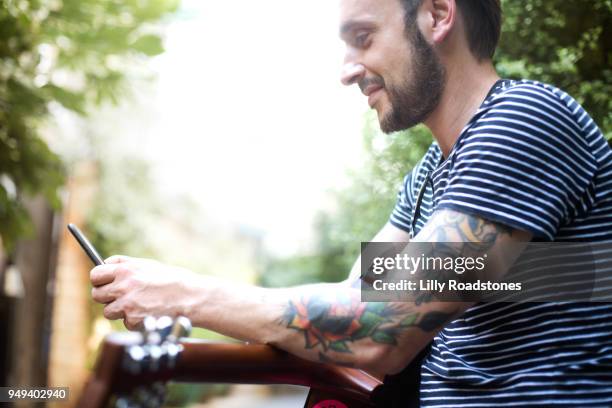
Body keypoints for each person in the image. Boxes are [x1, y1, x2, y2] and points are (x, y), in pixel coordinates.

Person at [90, 0, 612, 406]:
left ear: (437, 14)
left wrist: (184, 293)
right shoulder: (429, 179)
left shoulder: (527, 120)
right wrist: (174, 300)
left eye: (363, 38)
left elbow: (382, 329)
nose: (346, 70)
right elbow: (349, 304)